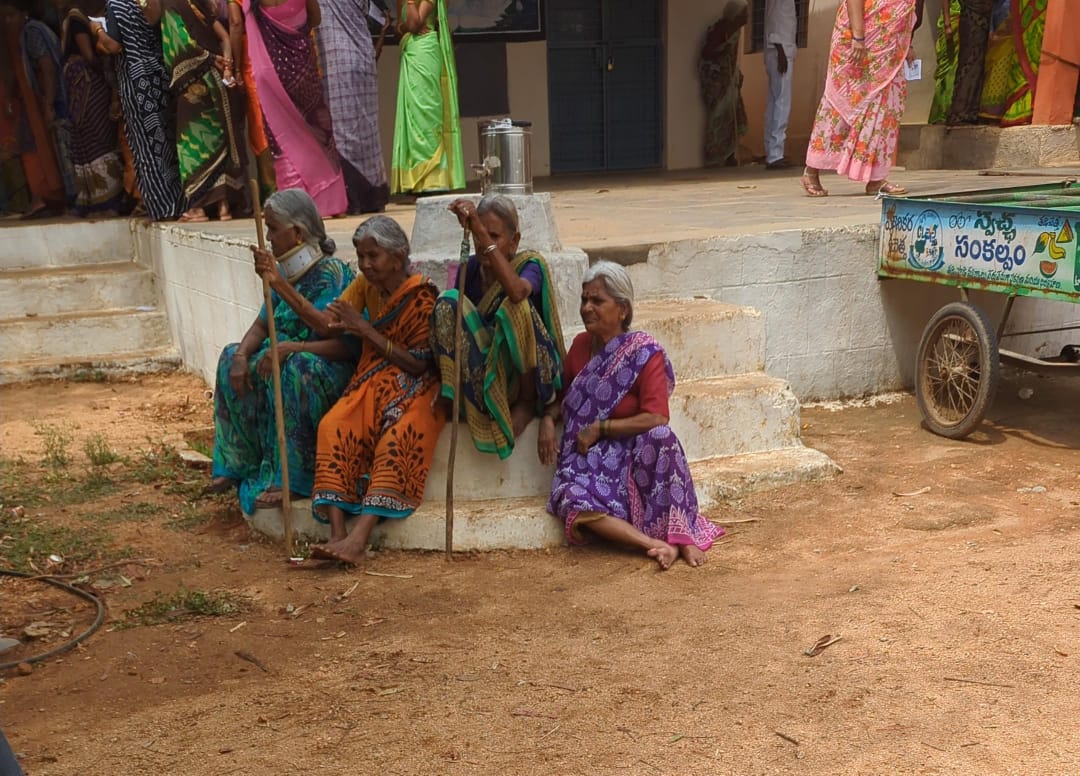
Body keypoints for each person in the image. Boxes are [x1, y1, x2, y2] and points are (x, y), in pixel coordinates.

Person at [542, 262, 723, 571]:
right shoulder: (580, 347)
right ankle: (651, 543)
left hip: (632, 452)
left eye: (597, 301)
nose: (587, 308)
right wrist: (547, 421)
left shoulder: (643, 352)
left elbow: (656, 417)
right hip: (588, 458)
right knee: (571, 499)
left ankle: (682, 537)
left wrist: (602, 427)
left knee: (662, 439)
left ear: (622, 309)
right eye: (584, 300)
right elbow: (563, 399)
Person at [208, 189, 356, 514]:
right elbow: (261, 327)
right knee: (231, 354)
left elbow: (328, 328)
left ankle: (294, 478)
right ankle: (238, 463)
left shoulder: (333, 274)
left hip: (322, 366)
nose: (270, 238)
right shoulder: (284, 275)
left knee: (296, 366)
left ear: (298, 233)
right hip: (283, 358)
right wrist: (241, 357)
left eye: (273, 229)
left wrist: (280, 288)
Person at [308, 217, 446, 565]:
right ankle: (337, 535)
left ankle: (358, 539)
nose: (366, 264)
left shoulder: (422, 295)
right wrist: (279, 283)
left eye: (374, 256)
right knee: (334, 425)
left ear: (398, 258)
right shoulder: (363, 286)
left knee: (398, 436)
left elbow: (418, 364)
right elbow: (328, 323)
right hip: (373, 378)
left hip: (417, 385)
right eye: (361, 256)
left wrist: (364, 329)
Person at [430, 194, 565, 459]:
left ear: (513, 242)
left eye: (494, 236)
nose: (483, 243)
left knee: (516, 308)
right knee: (447, 303)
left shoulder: (530, 265)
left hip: (521, 373)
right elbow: (458, 323)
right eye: (480, 235)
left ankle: (526, 405)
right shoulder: (469, 269)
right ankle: (458, 396)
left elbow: (516, 292)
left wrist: (478, 228)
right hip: (484, 370)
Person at [800, 0, 924, 197]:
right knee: (840, 104)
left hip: (890, 48)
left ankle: (876, 179)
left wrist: (906, 43)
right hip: (860, 39)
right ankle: (812, 170)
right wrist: (859, 37)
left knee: (886, 108)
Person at [242, 0, 347, 217]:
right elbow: (315, 19)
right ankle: (329, 201)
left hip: (272, 72)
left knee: (282, 136)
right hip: (303, 70)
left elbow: (239, 23)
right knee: (317, 129)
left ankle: (294, 200)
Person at [159, 0, 248, 222]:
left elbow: (179, 45)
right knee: (219, 144)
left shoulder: (172, 6)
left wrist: (208, 59)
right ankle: (223, 207)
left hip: (195, 89)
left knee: (192, 147)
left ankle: (197, 208)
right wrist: (227, 67)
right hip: (219, 83)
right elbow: (225, 37)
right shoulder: (201, 4)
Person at [106, 0, 185, 220]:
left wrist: (96, 30)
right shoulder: (154, 3)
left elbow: (113, 46)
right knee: (166, 141)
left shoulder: (116, 5)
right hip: (159, 74)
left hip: (135, 80)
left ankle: (162, 207)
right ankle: (179, 203)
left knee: (145, 146)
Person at [316, 0, 389, 214]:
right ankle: (373, 196)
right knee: (367, 129)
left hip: (338, 59)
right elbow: (377, 16)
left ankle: (353, 198)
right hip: (363, 56)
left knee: (342, 129)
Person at [389, 0, 464, 195]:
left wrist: (408, 20)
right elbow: (400, 29)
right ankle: (415, 182)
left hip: (426, 53)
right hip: (411, 52)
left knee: (426, 113)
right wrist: (405, 27)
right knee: (412, 115)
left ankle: (433, 180)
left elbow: (414, 24)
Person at [61, 4, 125, 215]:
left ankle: (107, 199)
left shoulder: (77, 18)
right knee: (93, 137)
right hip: (85, 86)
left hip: (89, 86)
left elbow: (89, 56)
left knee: (96, 137)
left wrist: (109, 79)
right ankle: (102, 199)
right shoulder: (77, 18)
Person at [14, 0, 77, 215]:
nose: (7, 21)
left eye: (9, 16)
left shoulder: (32, 31)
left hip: (58, 98)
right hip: (60, 96)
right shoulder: (37, 28)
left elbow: (47, 67)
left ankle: (74, 201)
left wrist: (49, 104)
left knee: (66, 150)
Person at [977, 0, 1046, 126]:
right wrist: (991, 30)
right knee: (996, 69)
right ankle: (991, 112)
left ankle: (1004, 110)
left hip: (1014, 37)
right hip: (999, 32)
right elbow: (990, 10)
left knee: (1007, 72)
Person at [763, 0, 796, 169]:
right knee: (782, 103)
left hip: (779, 50)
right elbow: (774, 22)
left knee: (775, 102)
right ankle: (775, 154)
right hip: (780, 51)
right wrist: (780, 51)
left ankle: (772, 151)